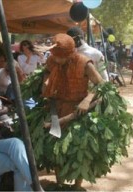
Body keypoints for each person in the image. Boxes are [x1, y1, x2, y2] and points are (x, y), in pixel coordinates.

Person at [41, 33, 104, 188]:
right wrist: (46, 86)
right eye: (54, 57)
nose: (57, 60)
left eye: (60, 57)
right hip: (57, 107)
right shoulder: (52, 60)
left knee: (78, 150)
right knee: (55, 149)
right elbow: (46, 74)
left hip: (78, 110)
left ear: (70, 53)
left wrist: (87, 100)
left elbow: (101, 84)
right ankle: (60, 184)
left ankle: (77, 186)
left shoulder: (84, 63)